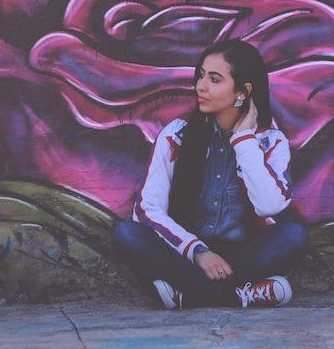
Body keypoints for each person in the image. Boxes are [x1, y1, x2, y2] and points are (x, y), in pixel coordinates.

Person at [111, 39, 308, 309]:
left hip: (243, 256)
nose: (200, 86)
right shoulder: (176, 135)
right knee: (126, 234)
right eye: (200, 75)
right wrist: (198, 252)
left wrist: (243, 140)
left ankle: (189, 293)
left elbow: (270, 206)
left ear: (242, 92)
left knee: (294, 236)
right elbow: (148, 210)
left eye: (214, 79)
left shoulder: (271, 142)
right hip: (185, 254)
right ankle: (237, 295)